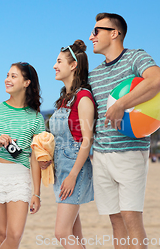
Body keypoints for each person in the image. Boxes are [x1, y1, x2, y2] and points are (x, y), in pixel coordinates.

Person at [88, 13, 160, 249]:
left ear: (114, 33)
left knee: (132, 218)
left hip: (130, 151)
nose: (91, 36)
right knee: (116, 221)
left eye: (96, 31)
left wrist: (121, 104)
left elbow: (157, 80)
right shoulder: (95, 74)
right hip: (100, 155)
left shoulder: (135, 57)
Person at [0, 62, 45, 249]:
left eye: (14, 76)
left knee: (14, 235)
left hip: (19, 177)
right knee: (2, 236)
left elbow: (35, 157)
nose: (7, 79)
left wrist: (37, 193)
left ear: (26, 83)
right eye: (7, 75)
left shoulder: (36, 118)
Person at [42, 40, 95, 248]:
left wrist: (72, 176)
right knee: (74, 233)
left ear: (73, 65)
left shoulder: (83, 98)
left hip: (75, 171)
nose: (55, 66)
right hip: (62, 170)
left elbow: (87, 141)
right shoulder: (64, 99)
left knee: (62, 233)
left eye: (59, 61)